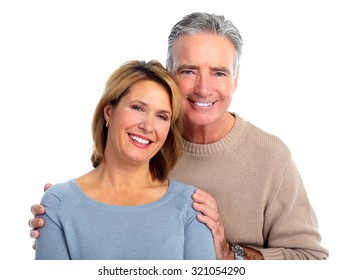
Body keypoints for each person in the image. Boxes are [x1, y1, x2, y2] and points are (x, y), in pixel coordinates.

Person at [30, 12, 328, 260]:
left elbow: (311, 261)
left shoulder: (271, 158)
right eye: (188, 71)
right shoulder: (143, 144)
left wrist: (229, 254)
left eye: (219, 73)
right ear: (169, 74)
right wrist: (65, 215)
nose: (203, 88)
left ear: (236, 80)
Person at [34, 60, 216, 260]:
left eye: (162, 117)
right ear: (109, 112)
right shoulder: (59, 203)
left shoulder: (190, 206)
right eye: (138, 108)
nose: (148, 126)